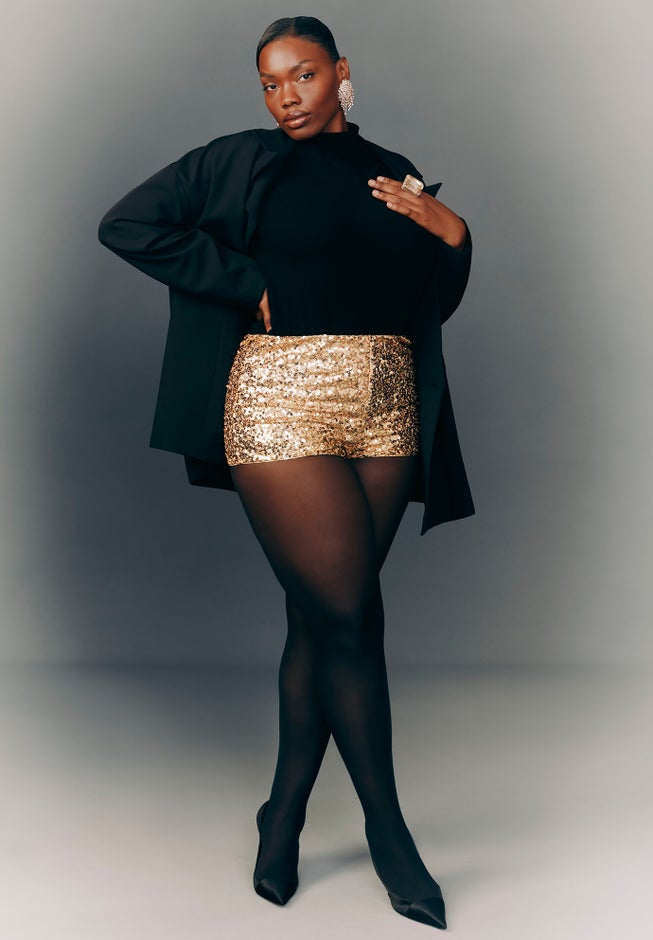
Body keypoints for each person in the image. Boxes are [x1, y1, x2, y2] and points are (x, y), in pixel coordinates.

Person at [98, 15, 474, 931]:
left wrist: (453, 233)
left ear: (339, 72)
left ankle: (283, 813)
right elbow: (126, 224)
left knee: (321, 619)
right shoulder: (239, 160)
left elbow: (426, 300)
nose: (285, 97)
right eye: (270, 83)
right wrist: (244, 283)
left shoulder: (391, 169)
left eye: (301, 76)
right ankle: (389, 833)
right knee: (350, 615)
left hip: (385, 403)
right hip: (281, 396)